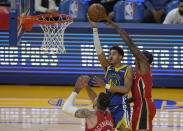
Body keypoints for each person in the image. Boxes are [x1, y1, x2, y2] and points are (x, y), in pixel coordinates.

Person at [104, 16, 156, 131]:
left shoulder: (144, 66)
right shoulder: (137, 71)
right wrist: (127, 100)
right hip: (140, 106)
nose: (138, 56)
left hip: (144, 107)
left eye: (141, 56)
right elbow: (138, 94)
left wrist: (116, 27)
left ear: (145, 60)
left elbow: (131, 44)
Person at [88, 16, 133, 131]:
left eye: (113, 54)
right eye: (110, 54)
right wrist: (94, 29)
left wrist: (106, 86)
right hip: (107, 108)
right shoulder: (107, 68)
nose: (110, 56)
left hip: (121, 108)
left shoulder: (127, 69)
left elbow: (125, 89)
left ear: (120, 57)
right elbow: (99, 51)